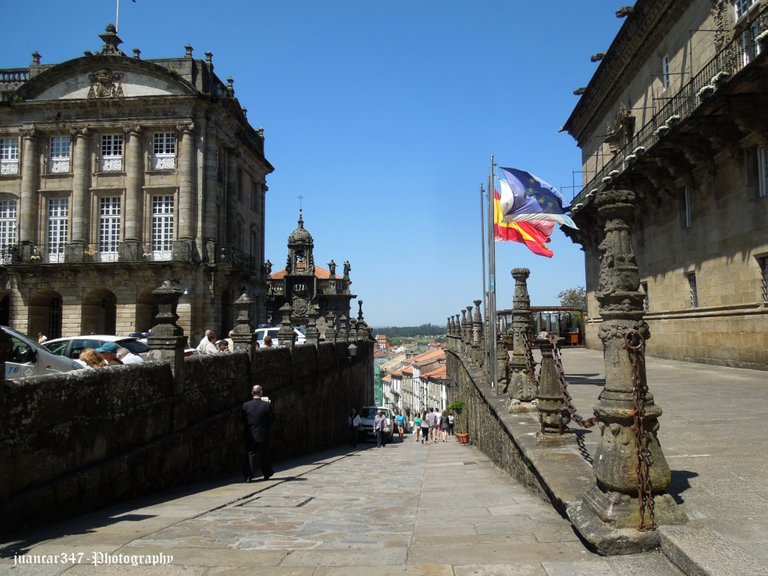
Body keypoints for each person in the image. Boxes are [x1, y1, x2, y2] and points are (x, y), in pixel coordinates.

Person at [241, 384, 274, 482]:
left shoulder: (245, 405)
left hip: (250, 434)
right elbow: (272, 419)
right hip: (262, 434)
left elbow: (242, 419)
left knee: (250, 455)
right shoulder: (266, 405)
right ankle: (267, 473)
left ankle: (248, 476)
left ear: (252, 393)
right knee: (263, 454)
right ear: (261, 393)